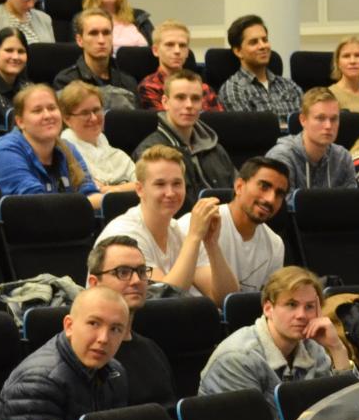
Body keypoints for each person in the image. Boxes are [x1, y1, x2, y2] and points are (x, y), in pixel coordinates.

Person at [97, 146, 235, 303]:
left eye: (177, 184)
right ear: (140, 189)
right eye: (160, 184)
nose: (170, 193)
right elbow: (163, 302)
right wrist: (195, 237)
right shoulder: (124, 235)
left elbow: (225, 298)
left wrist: (212, 244)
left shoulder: (180, 232)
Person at [198, 266, 351, 399]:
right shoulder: (237, 358)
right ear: (268, 308)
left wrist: (336, 348)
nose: (301, 315)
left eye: (309, 306)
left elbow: (344, 411)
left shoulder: (311, 347)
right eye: (291, 305)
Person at [0, 286, 132, 420]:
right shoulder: (38, 384)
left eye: (115, 329)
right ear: (69, 326)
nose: (103, 339)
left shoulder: (115, 373)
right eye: (93, 323)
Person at [84, 235, 175, 407]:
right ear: (95, 283)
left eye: (141, 272)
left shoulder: (152, 349)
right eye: (123, 272)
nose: (136, 281)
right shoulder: (87, 354)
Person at [180, 157, 287, 294]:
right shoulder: (196, 224)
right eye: (264, 187)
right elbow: (220, 298)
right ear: (239, 186)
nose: (270, 199)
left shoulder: (275, 244)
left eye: (279, 194)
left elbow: (270, 303)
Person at [0, 83, 103, 207]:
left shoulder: (69, 148)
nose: (48, 115)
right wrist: (83, 203)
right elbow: (37, 203)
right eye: (37, 111)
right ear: (20, 122)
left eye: (52, 108)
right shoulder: (6, 150)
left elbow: (90, 193)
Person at [134, 69, 236, 190]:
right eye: (180, 97)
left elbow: (239, 192)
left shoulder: (216, 148)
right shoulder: (149, 152)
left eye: (195, 99)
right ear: (165, 102)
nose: (189, 105)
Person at [264, 87, 356, 190]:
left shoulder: (343, 158)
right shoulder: (282, 157)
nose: (328, 126)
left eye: (334, 119)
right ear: (303, 120)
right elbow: (281, 204)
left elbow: (351, 203)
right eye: (320, 118)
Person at [56, 81, 138, 192]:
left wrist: (111, 189)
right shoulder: (65, 155)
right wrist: (126, 187)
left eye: (96, 110)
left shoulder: (116, 154)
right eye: (85, 113)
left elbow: (145, 184)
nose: (94, 118)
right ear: (67, 119)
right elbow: (93, 192)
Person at [219, 14, 301, 121]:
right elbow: (249, 131)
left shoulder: (289, 86)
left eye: (265, 40)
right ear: (238, 51)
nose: (263, 46)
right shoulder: (233, 90)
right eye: (254, 42)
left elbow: (307, 124)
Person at [136, 20, 221, 111]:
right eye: (170, 44)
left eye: (182, 45)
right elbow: (164, 122)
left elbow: (218, 122)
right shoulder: (149, 87)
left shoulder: (204, 88)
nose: (177, 51)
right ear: (155, 50)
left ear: (188, 51)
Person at [54, 8, 134, 94]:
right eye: (93, 33)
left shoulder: (128, 83)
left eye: (106, 33)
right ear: (80, 40)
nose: (101, 40)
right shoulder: (66, 81)